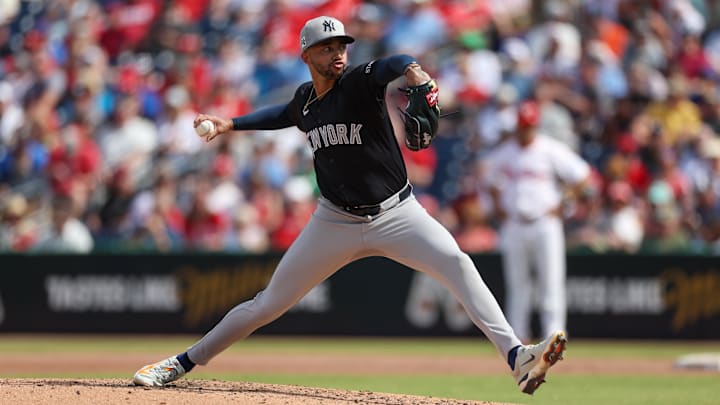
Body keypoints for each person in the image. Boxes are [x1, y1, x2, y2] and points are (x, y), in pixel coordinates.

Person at [132, 16, 566, 395]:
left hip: (398, 213)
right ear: (306, 54)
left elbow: (394, 63)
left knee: (457, 262)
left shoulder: (360, 82)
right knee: (266, 305)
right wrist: (231, 123)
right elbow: (282, 114)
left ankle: (516, 358)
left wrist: (414, 71)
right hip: (334, 220)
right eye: (326, 47)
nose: (337, 53)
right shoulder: (306, 99)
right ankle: (182, 363)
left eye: (340, 45)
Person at [484, 100, 591, 343]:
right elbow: (487, 176)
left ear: (536, 126)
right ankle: (516, 337)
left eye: (530, 126)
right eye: (523, 126)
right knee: (517, 284)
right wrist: (498, 206)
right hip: (514, 223)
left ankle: (554, 336)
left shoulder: (550, 149)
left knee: (550, 282)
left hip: (545, 223)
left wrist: (564, 205)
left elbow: (583, 176)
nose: (526, 130)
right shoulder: (506, 151)